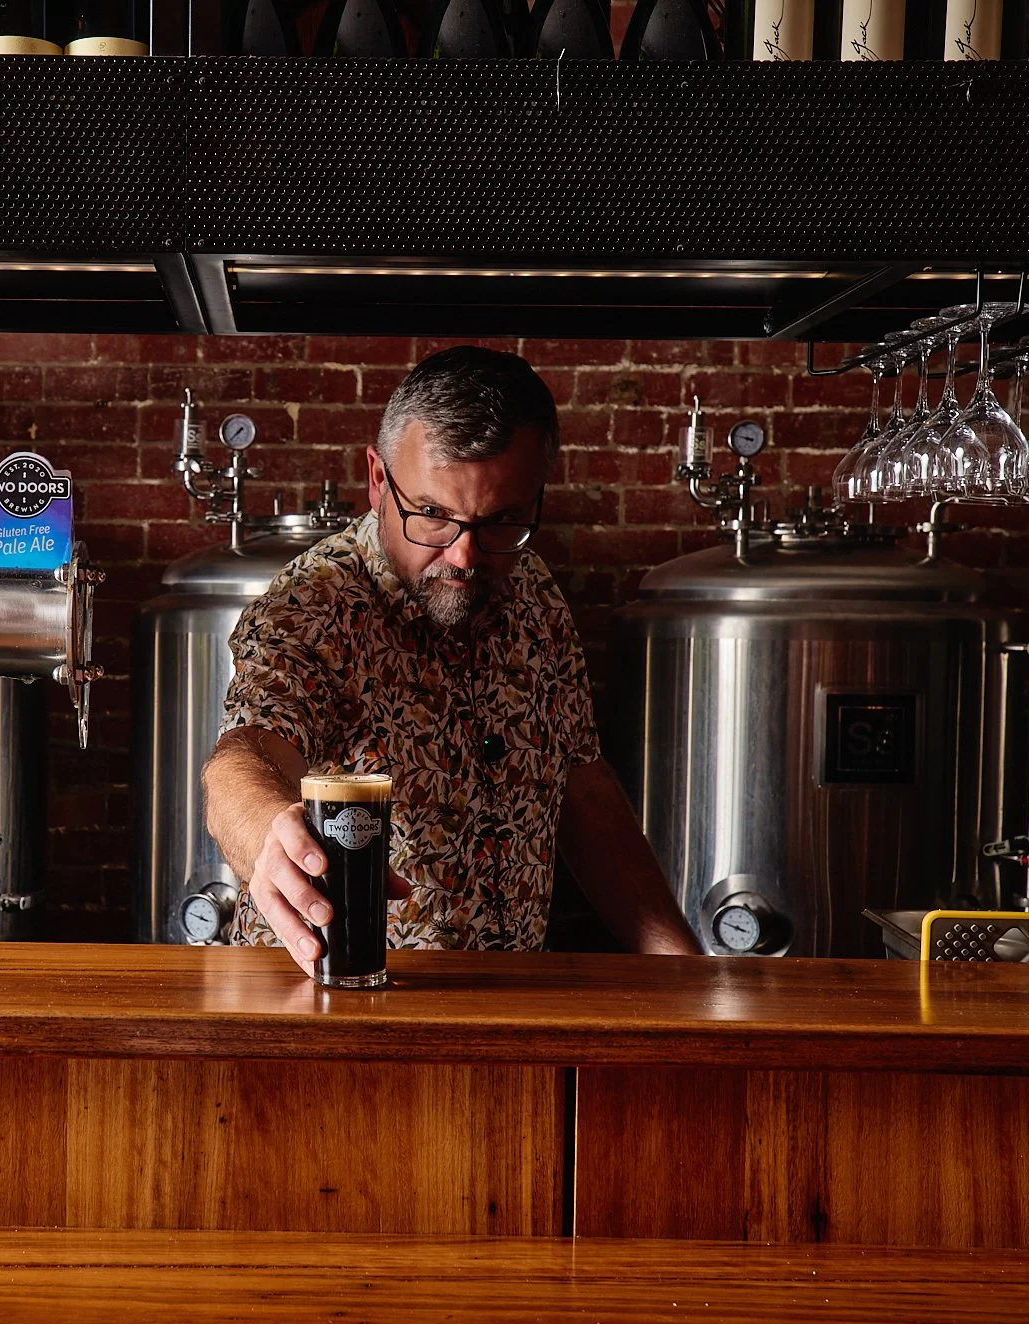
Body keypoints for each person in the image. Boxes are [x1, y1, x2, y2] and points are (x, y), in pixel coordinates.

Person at [201, 345, 699, 976]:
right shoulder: (315, 605)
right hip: (339, 1001)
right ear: (380, 480)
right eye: (433, 516)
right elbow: (241, 759)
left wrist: (687, 972)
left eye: (502, 520)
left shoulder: (533, 590)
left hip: (503, 1006)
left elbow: (581, 786)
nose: (465, 557)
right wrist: (269, 831)